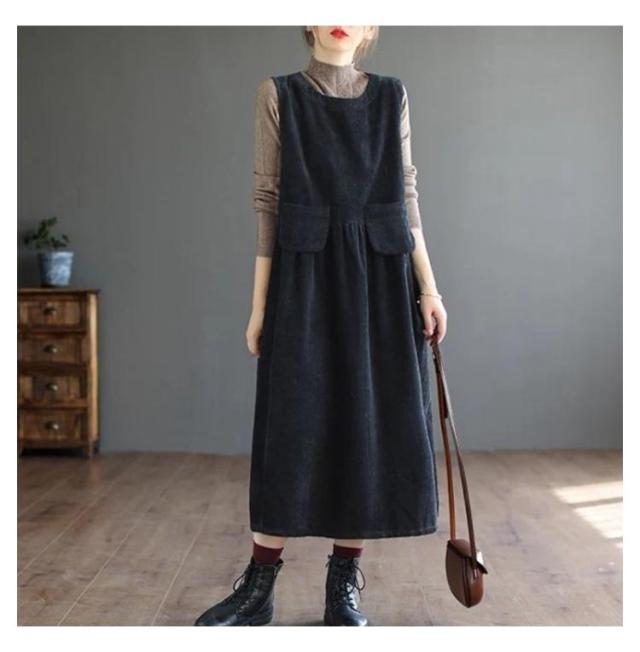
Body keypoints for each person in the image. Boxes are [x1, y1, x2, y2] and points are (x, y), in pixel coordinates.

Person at [195, 25, 447, 627]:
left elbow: (406, 193)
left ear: (370, 26)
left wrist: (430, 288)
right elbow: (268, 200)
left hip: (382, 278)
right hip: (304, 275)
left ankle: (342, 588)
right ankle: (259, 588)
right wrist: (260, 306)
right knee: (292, 425)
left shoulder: (391, 95)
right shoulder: (277, 93)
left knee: (365, 423)